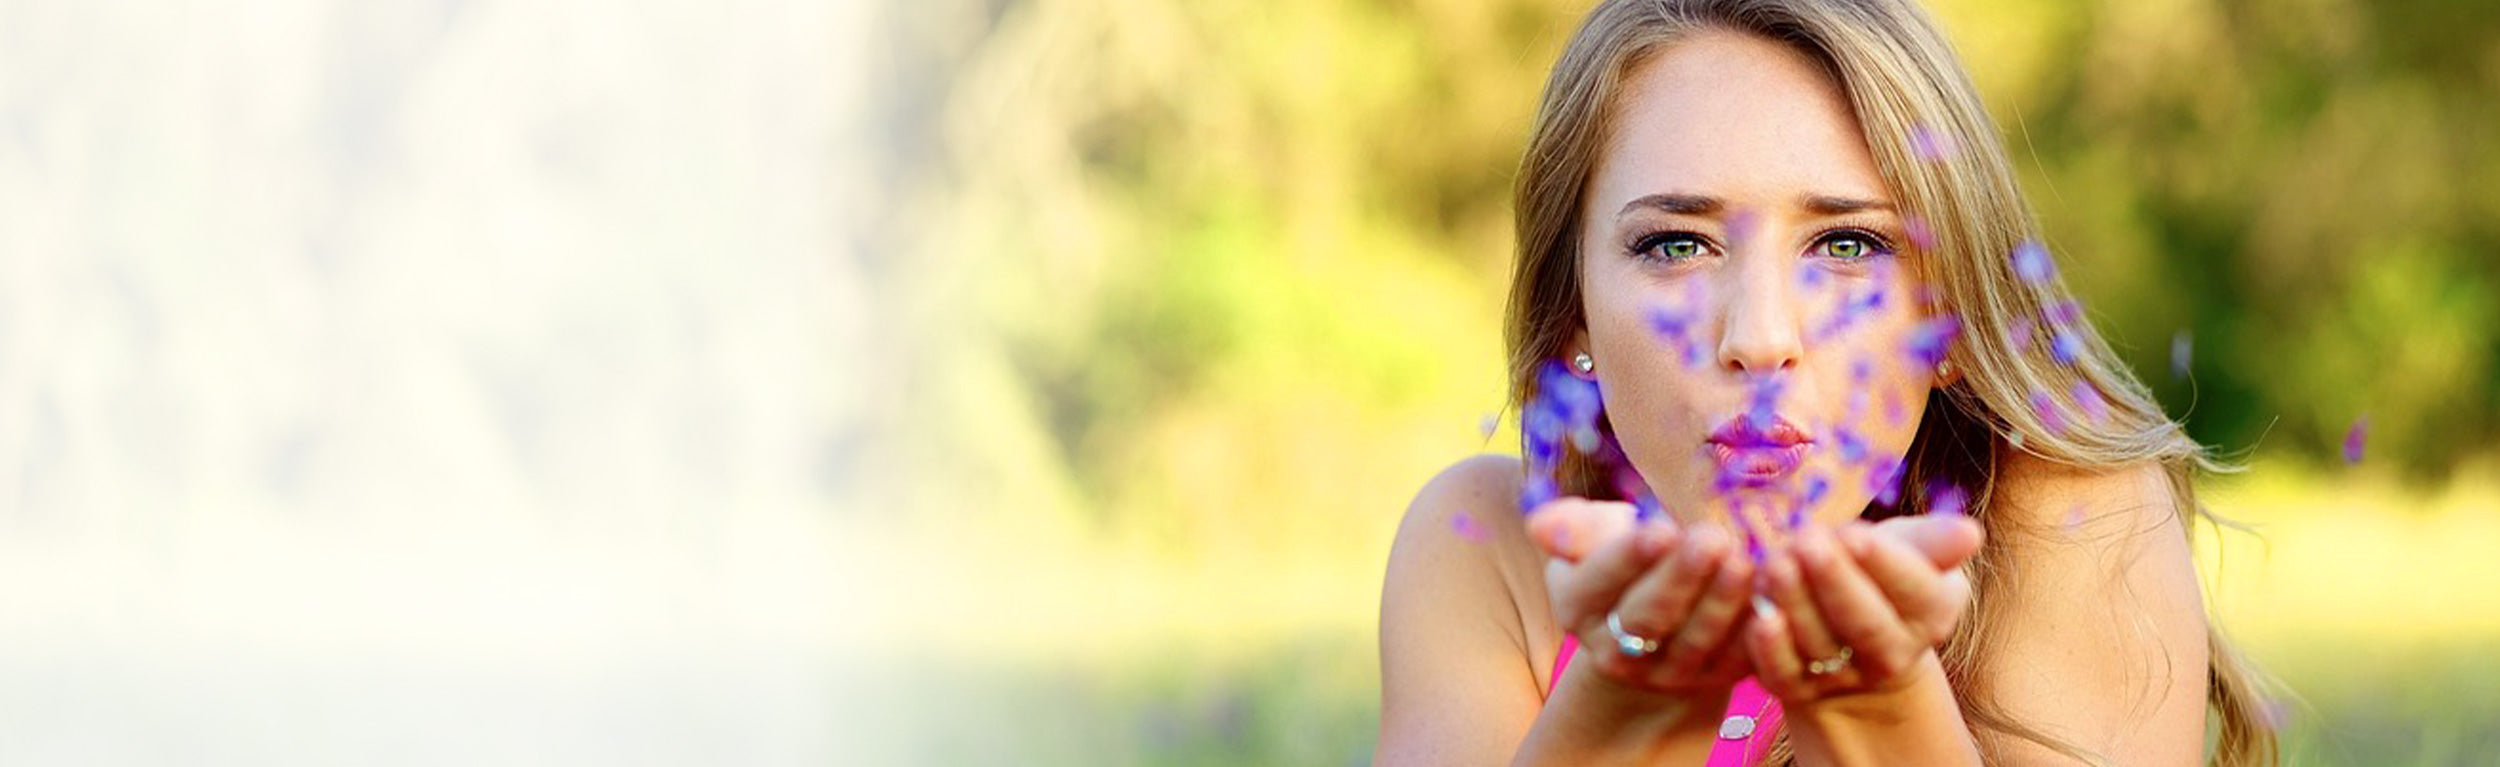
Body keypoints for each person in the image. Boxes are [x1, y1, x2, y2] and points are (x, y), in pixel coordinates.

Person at [1374, 0, 2279, 764]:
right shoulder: (1490, 549)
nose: (1760, 339)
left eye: (1849, 246)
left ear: (1951, 315)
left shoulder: (2074, 519)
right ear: (1573, 310)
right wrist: (1609, 723)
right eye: (1676, 245)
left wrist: (1887, 718)